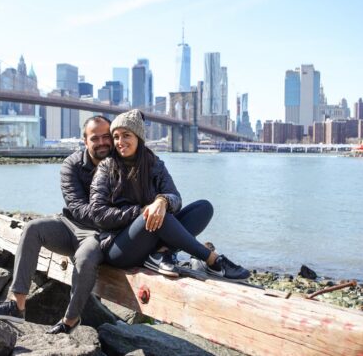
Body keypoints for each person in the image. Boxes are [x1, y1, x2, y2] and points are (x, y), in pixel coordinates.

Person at [0, 115, 113, 334]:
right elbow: (78, 208)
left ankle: (70, 321)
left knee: (85, 258)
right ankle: (17, 305)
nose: (101, 143)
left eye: (106, 137)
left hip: (97, 234)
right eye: (94, 138)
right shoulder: (71, 165)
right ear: (84, 140)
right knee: (32, 229)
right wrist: (113, 214)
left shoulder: (122, 163)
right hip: (70, 224)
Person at [89, 109, 250, 280]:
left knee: (204, 207)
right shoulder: (106, 167)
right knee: (157, 213)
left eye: (126, 135)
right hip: (119, 248)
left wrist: (162, 201)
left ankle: (161, 253)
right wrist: (142, 211)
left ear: (138, 137)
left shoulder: (154, 164)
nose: (120, 141)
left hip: (151, 240)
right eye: (116, 137)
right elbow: (97, 213)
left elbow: (175, 198)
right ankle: (213, 260)